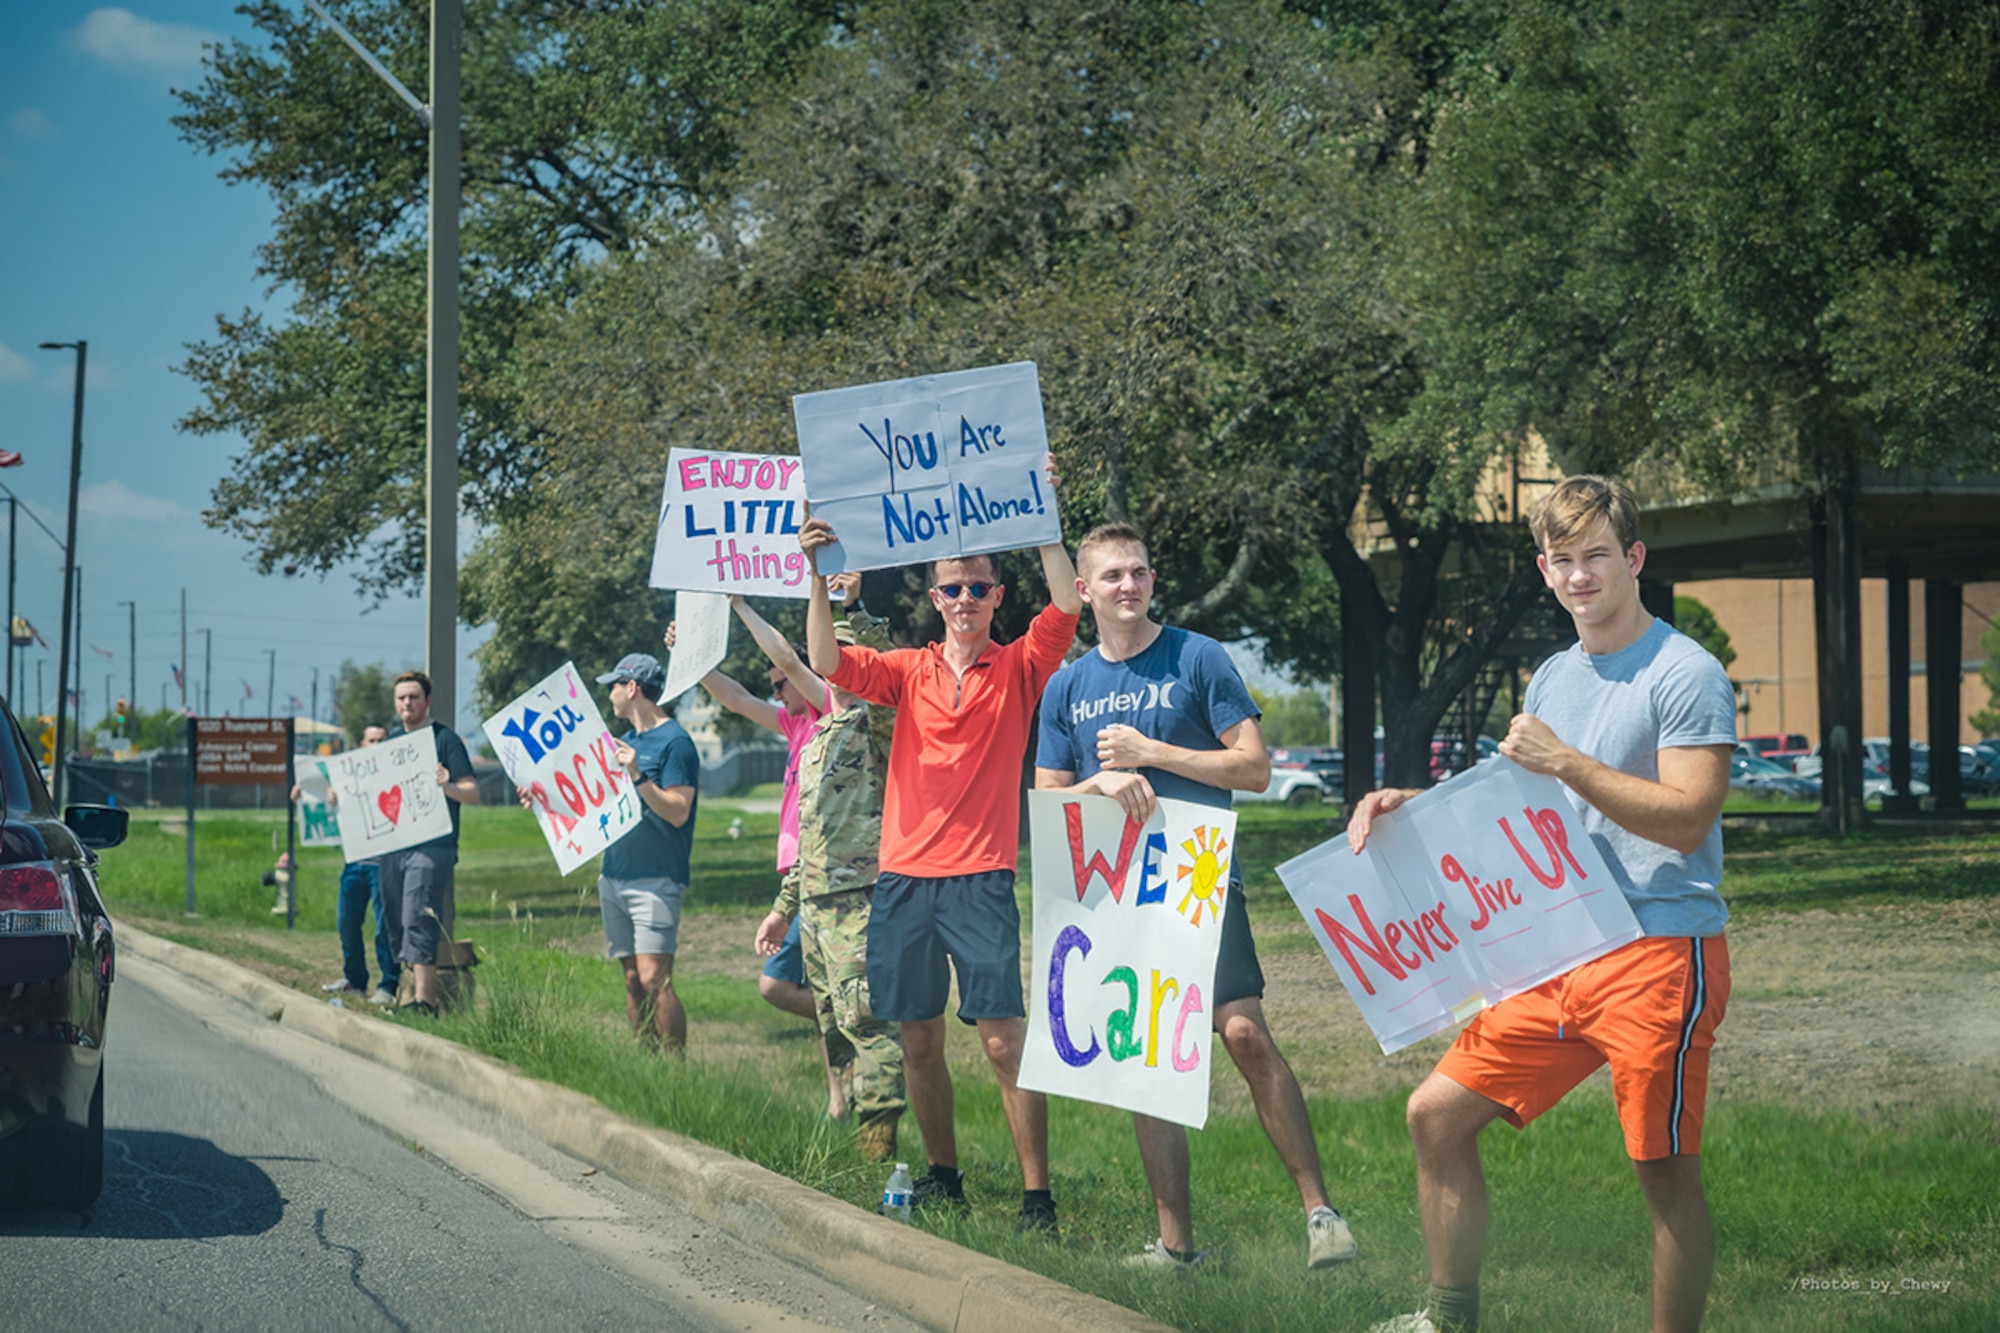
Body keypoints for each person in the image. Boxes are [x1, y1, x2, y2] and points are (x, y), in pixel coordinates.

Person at [1351, 475, 1735, 1333]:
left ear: (1633, 558)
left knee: (1662, 1170)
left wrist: (1565, 760)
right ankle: (1451, 1320)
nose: (1581, 575)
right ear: (1544, 570)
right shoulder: (1556, 674)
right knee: (1435, 1115)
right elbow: (1513, 809)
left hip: (1659, 951)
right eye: (1563, 560)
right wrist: (1409, 805)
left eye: (1597, 554)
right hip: (1559, 943)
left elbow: (1689, 817)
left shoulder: (1686, 671)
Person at [1034, 522, 1360, 1272]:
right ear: (1083, 590)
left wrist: (1152, 754)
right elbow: (1049, 802)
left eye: (1139, 572)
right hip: (1114, 894)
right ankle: (1176, 1246)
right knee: (1146, 1057)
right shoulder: (1067, 686)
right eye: (1112, 575)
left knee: (1243, 1032)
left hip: (1197, 874)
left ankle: (1322, 1214)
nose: (1128, 585)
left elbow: (1253, 767)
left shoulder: (1198, 657)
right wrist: (1101, 781)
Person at [799, 507, 1081, 1233]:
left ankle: (1036, 1199)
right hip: (903, 880)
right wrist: (815, 576)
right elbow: (828, 664)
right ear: (933, 600)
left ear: (998, 596)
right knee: (918, 1037)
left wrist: (1043, 521)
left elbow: (1070, 603)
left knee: (1001, 1040)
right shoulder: (906, 670)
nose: (964, 601)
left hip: (981, 877)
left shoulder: (1020, 664)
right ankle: (943, 1177)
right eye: (951, 590)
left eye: (977, 589)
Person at [671, 587, 849, 1111]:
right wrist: (692, 664)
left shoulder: (825, 713)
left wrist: (740, 607)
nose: (777, 692)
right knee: (806, 990)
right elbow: (738, 700)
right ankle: (840, 1093)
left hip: (827, 871)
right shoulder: (792, 724)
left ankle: (850, 1079)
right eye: (774, 686)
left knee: (792, 985)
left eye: (782, 686)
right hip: (798, 876)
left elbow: (791, 662)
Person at [753, 606, 906, 1162]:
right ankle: (861, 1137)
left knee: (867, 1020)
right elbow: (811, 833)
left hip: (859, 900)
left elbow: (881, 665)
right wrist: (781, 910)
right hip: (816, 904)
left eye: (844, 657)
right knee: (835, 1025)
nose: (837, 667)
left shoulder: (876, 722)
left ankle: (881, 1152)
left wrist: (853, 610)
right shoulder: (817, 736)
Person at [591, 651, 701, 1051]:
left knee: (655, 977)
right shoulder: (624, 742)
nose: (610, 695)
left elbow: (677, 811)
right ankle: (645, 1065)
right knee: (632, 980)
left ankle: (676, 1074)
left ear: (632, 688)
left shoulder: (676, 743)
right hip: (614, 875)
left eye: (614, 687)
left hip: (657, 878)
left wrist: (638, 774)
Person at [379, 671, 481, 1018]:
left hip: (433, 845)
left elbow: (473, 792)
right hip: (396, 845)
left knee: (418, 915)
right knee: (394, 918)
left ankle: (425, 1002)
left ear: (427, 701)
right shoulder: (390, 743)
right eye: (401, 698)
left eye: (413, 697)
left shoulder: (445, 740)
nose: (407, 703)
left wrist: (447, 785)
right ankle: (406, 993)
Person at [311, 723, 399, 1005]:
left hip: (382, 863)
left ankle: (388, 984)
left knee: (383, 927)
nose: (376, 744)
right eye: (372, 739)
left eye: (382, 740)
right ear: (362, 744)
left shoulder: (395, 775)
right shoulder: (347, 777)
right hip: (354, 862)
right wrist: (331, 799)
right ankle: (355, 980)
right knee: (346, 922)